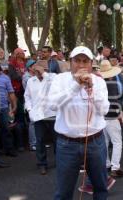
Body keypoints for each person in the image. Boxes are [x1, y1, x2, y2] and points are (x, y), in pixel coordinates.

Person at [49, 46, 110, 200]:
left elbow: (103, 110)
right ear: (70, 62)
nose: (81, 65)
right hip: (67, 144)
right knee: (64, 192)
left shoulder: (99, 81)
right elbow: (53, 105)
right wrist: (76, 85)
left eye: (85, 61)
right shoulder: (59, 79)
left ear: (91, 64)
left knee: (100, 188)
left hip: (95, 142)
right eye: (77, 60)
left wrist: (91, 90)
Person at [24, 62, 57, 175]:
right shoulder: (30, 81)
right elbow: (27, 97)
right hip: (38, 115)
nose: (37, 71)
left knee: (57, 139)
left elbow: (56, 86)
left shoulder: (52, 77)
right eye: (35, 69)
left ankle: (60, 162)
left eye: (40, 69)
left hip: (52, 113)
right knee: (40, 140)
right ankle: (42, 164)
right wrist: (29, 109)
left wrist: (44, 74)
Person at [98, 60, 123, 178]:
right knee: (117, 142)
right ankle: (115, 167)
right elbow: (117, 99)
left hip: (101, 116)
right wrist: (120, 112)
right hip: (112, 115)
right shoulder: (113, 83)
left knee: (104, 142)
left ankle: (107, 164)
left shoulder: (99, 84)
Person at [0, 57, 18, 157]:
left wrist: (14, 106)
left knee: (6, 129)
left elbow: (11, 93)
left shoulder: (5, 77)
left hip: (3, 107)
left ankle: (9, 149)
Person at [22, 59, 37, 151]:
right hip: (31, 103)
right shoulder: (26, 77)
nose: (36, 67)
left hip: (37, 102)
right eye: (34, 65)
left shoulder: (34, 75)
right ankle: (33, 144)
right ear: (30, 68)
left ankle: (38, 142)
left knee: (38, 124)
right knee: (32, 124)